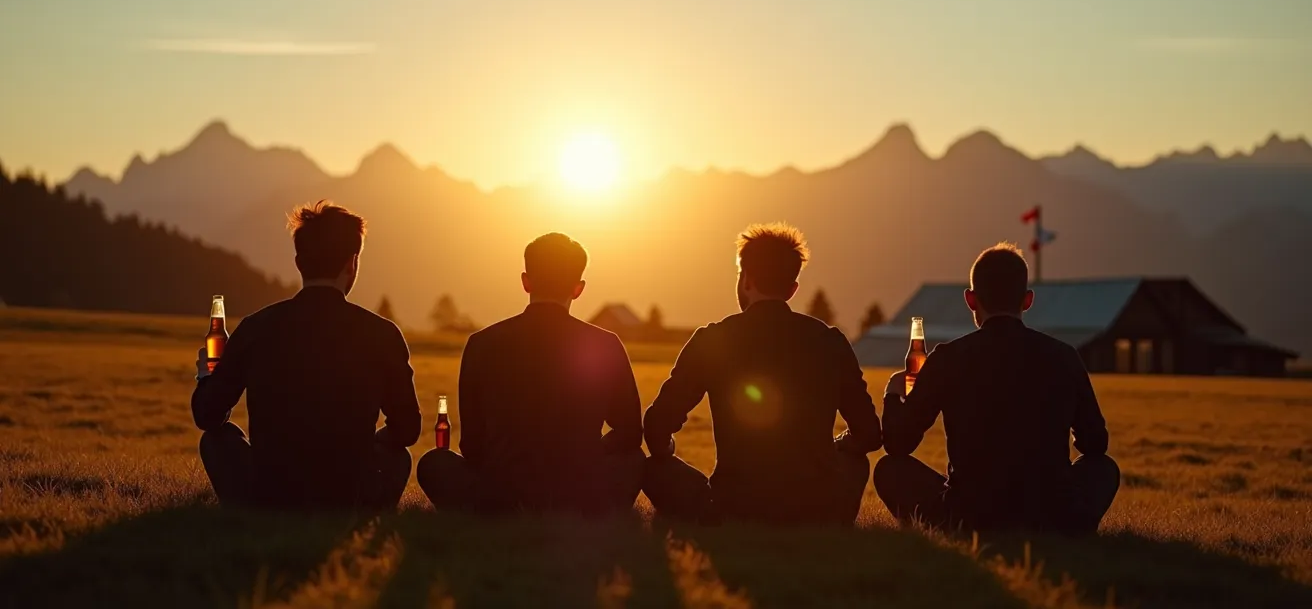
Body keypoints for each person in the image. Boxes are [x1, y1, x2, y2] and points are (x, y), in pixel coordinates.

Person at [642, 223, 882, 525]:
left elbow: (655, 426)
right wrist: (837, 446)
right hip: (816, 508)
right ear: (792, 289)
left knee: (652, 469)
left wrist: (667, 449)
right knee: (856, 462)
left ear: (746, 280)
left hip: (734, 505)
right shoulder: (830, 341)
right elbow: (869, 435)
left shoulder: (713, 339)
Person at [874, 243, 1120, 534]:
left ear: (970, 299)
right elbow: (1096, 444)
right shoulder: (1063, 356)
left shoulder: (948, 358)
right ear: (1027, 300)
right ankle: (1071, 526)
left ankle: (950, 526)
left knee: (889, 470)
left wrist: (893, 392)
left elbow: (898, 444)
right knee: (1104, 468)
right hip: (1050, 512)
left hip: (969, 514)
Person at [191, 201, 421, 511]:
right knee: (397, 455)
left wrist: (209, 376)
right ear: (352, 263)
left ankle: (250, 510)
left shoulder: (256, 328)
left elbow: (208, 417)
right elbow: (407, 430)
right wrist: (370, 445)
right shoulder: (382, 334)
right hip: (350, 495)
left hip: (270, 495)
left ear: (299, 262)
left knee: (217, 440)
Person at [416, 233, 644, 515]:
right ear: (578, 288)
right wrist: (586, 456)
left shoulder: (482, 343)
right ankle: (585, 510)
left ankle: (492, 510)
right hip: (580, 487)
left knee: (433, 464)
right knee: (634, 459)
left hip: (501, 489)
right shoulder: (604, 344)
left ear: (526, 281)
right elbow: (630, 434)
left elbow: (472, 444)